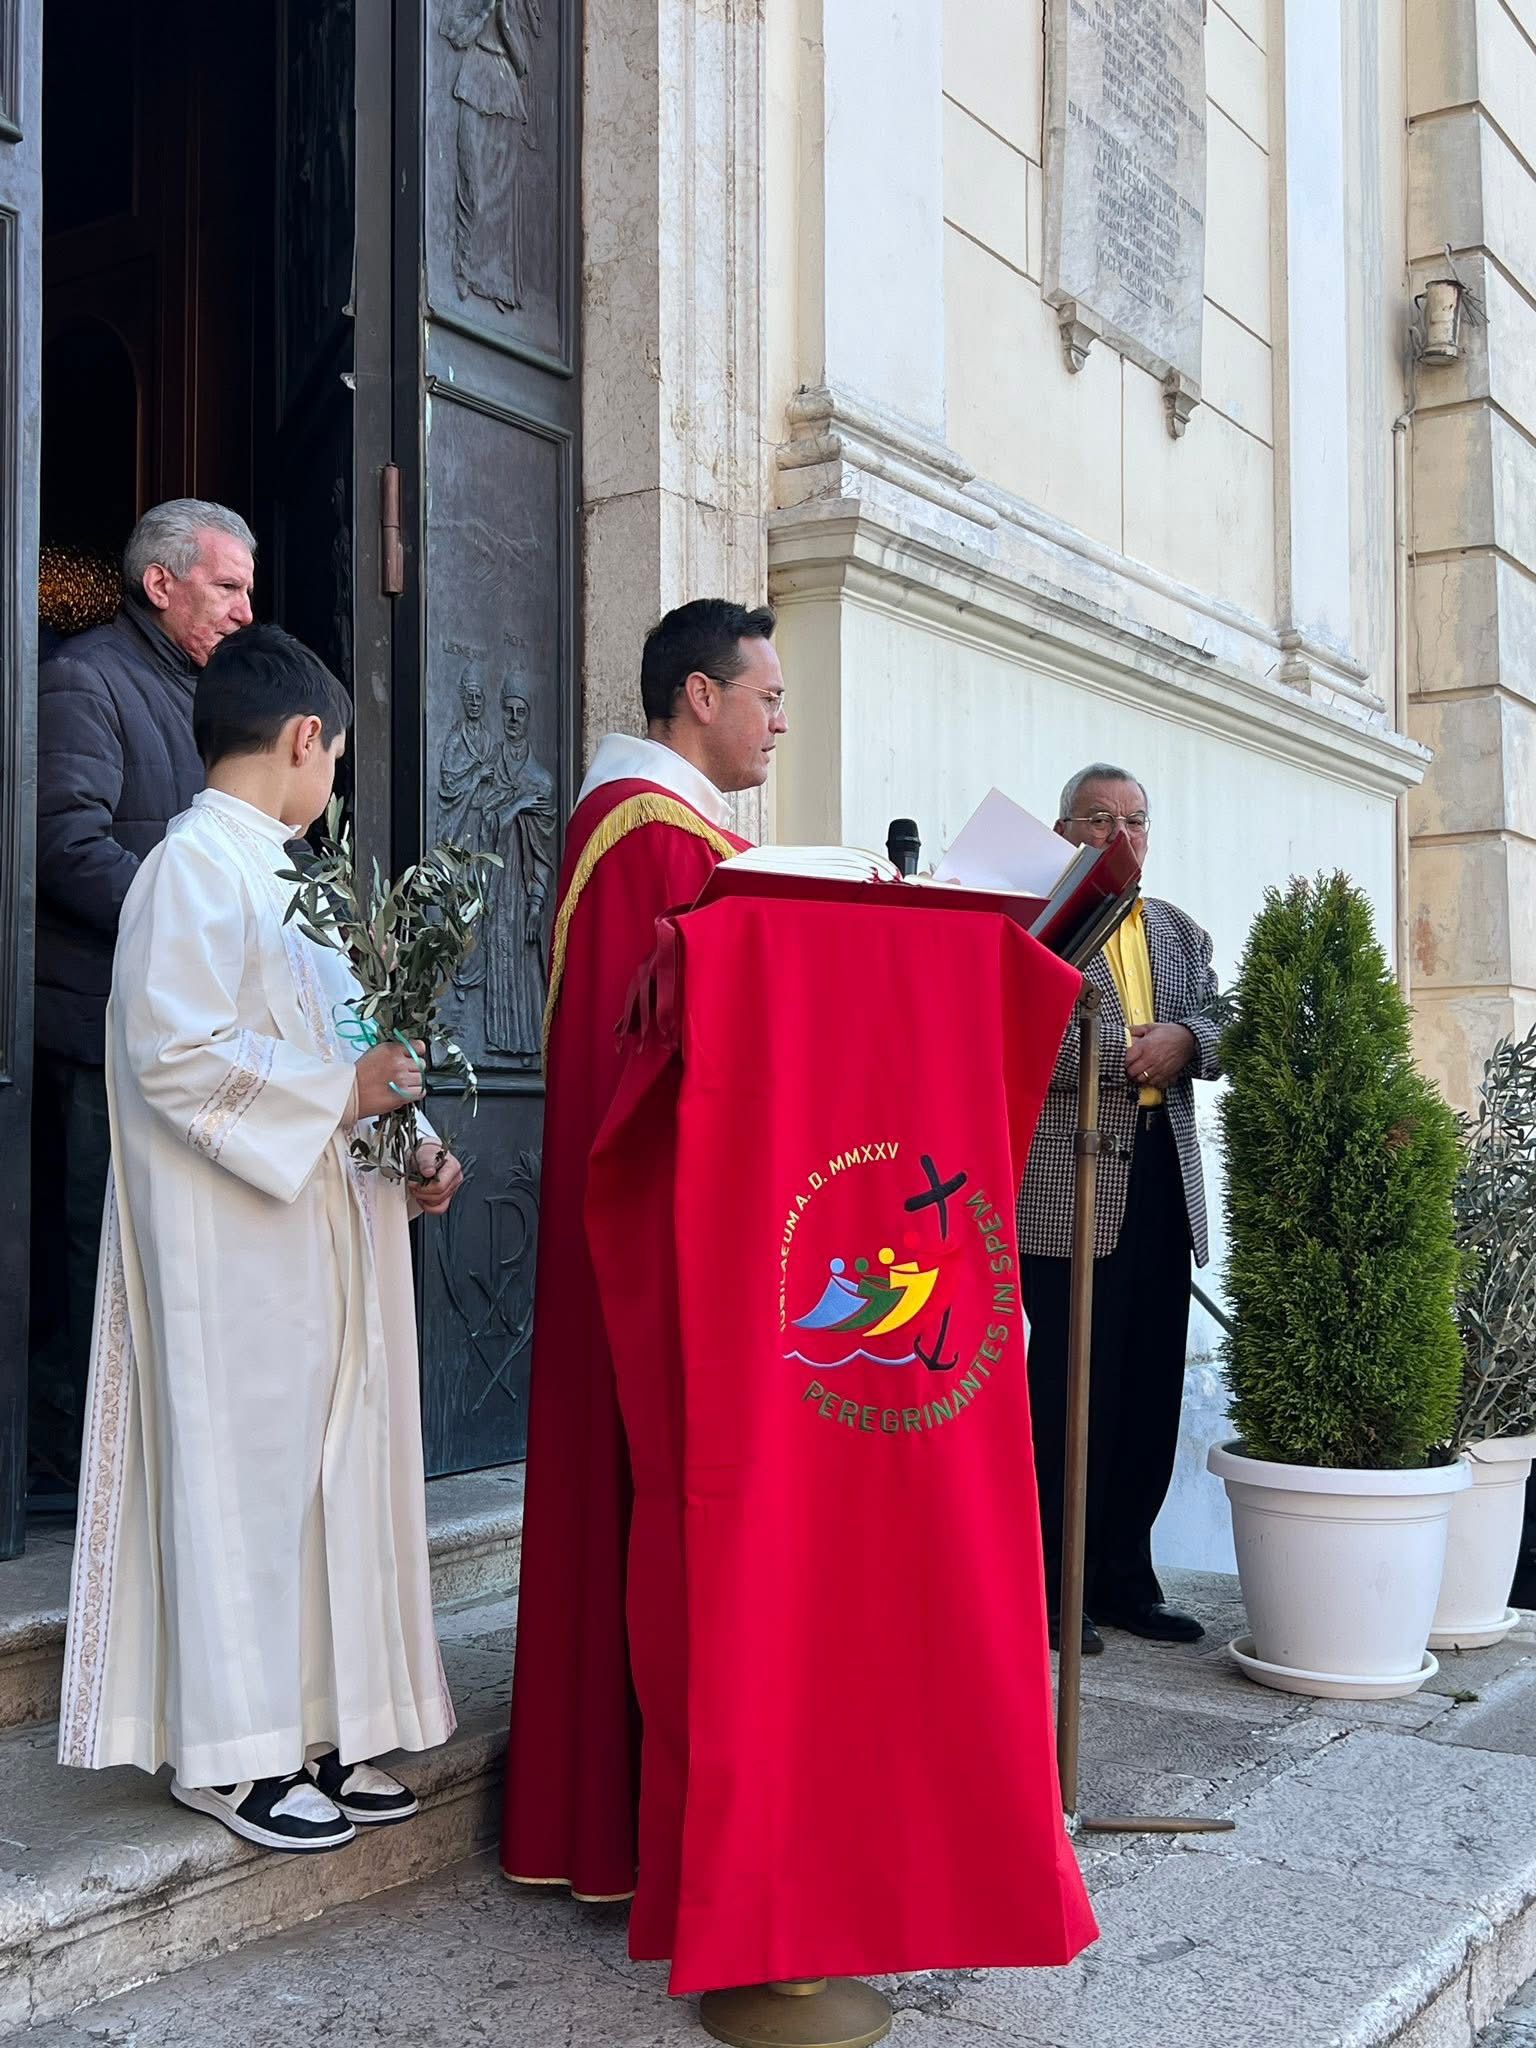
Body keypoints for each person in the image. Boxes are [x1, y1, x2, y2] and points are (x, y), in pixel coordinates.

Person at [58, 623, 464, 1855]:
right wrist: (345, 1099)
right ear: (304, 739)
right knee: (243, 1485)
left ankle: (319, 1724)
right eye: (333, 754)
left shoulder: (294, 881)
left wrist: (414, 1141)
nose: (330, 775)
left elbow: (353, 1048)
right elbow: (171, 1056)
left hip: (324, 1230)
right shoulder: (191, 868)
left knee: (322, 1481)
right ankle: (232, 1756)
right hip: (231, 1248)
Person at [501, 597, 784, 1901]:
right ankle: (616, 1826)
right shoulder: (648, 844)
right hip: (651, 1247)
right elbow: (662, 1074)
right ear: (697, 698)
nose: (779, 717)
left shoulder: (676, 836)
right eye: (764, 695)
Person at [29, 500, 257, 1499]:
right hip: (94, 1031)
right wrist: (193, 924)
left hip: (176, 1035)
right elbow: (63, 842)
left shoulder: (205, 700)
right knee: (94, 1264)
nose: (249, 610)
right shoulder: (88, 679)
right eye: (228, 586)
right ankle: (82, 1484)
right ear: (160, 584)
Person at [1016, 764, 1222, 1657]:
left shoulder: (1179, 929)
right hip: (1069, 1189)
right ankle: (1052, 1586)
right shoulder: (1037, 922)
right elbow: (1019, 1027)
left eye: (1135, 819)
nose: (1120, 835)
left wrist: (1190, 1039)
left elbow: (1221, 1021)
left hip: (1160, 1183)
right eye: (1098, 819)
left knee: (1147, 1386)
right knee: (1069, 1386)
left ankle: (1126, 1579)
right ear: (1065, 832)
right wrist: (1127, 1052)